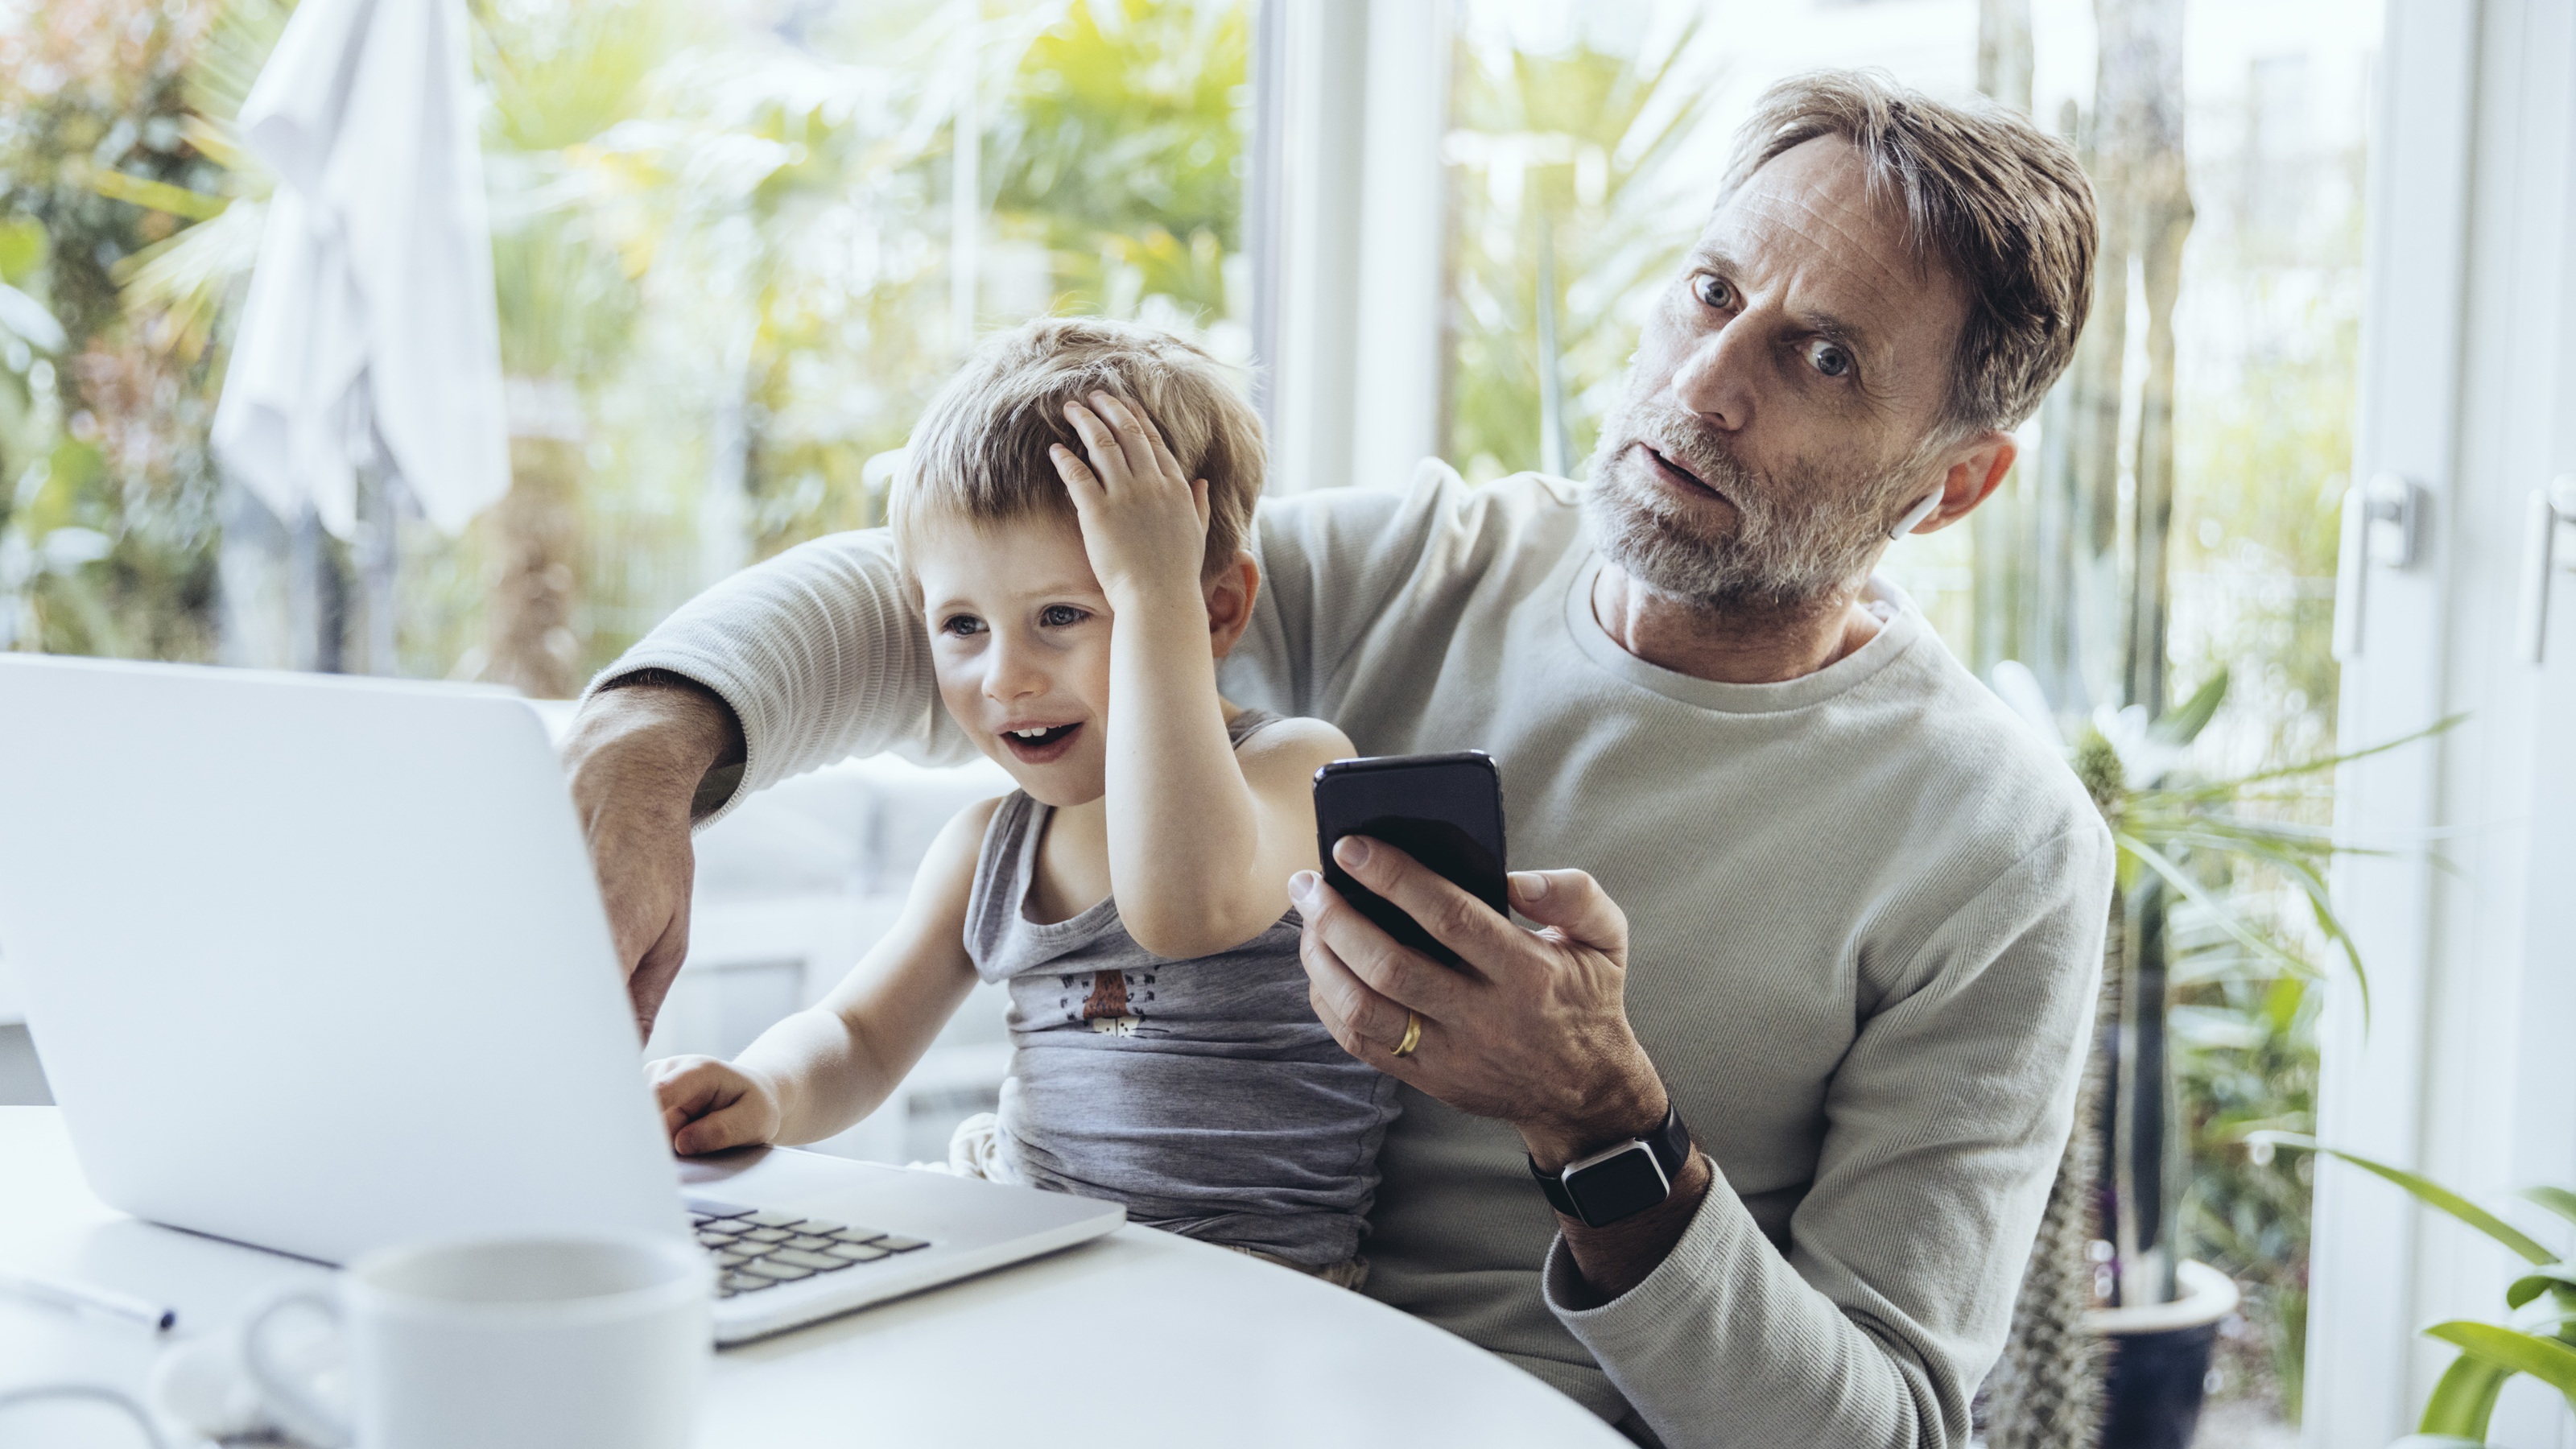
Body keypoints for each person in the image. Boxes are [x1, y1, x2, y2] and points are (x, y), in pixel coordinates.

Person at [561, 72, 2113, 1449]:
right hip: (1105, 1341)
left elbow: (1883, 1431)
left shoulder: (1999, 847)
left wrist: (1602, 1124)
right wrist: (648, 740)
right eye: (1710, 291)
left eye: (1824, 359)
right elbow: (978, 598)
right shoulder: (1425, 566)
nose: (1709, 383)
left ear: (1953, 486)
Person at [642, 320, 1389, 1284]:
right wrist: (766, 1089)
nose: (1005, 678)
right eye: (962, 625)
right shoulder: (990, 847)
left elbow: (1183, 906)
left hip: (1248, 1284)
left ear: (1215, 611)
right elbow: (858, 1037)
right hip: (1033, 1250)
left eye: (1062, 615)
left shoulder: (1295, 770)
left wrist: (1153, 593)